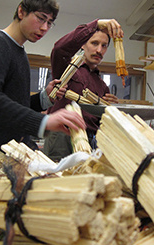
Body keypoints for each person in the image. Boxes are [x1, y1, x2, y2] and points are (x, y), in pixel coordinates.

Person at [0, 0, 86, 170]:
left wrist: (44, 98)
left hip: (13, 156)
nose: (44, 28)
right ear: (21, 12)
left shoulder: (19, 52)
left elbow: (15, 103)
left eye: (50, 22)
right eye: (41, 18)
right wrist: (43, 122)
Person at [44, 19, 124, 161]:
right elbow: (59, 49)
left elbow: (101, 122)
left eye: (104, 46)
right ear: (82, 44)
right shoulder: (67, 69)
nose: (99, 50)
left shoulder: (102, 85)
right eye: (94, 43)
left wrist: (108, 109)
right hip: (63, 137)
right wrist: (96, 24)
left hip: (90, 141)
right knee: (57, 180)